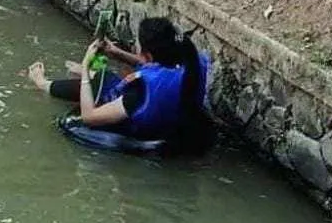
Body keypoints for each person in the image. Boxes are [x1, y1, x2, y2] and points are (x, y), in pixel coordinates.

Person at [25, 16, 215, 155]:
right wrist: (116, 52)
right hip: (172, 118)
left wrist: (85, 66)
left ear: (148, 54)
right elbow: (154, 65)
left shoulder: (140, 89)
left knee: (98, 82)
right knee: (104, 77)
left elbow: (89, 117)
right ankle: (87, 74)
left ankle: (42, 84)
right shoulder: (193, 61)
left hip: (143, 126)